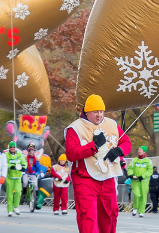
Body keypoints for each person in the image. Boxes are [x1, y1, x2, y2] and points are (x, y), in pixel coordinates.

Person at [65, 94, 131, 233]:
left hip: (107, 178)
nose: (99, 115)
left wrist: (119, 150)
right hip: (84, 178)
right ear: (87, 112)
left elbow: (126, 142)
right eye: (95, 112)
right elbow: (71, 154)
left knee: (109, 216)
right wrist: (93, 146)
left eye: (101, 111)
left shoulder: (111, 124)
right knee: (88, 217)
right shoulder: (75, 128)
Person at [127, 146, 152, 217]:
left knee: (143, 196)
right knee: (136, 195)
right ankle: (135, 207)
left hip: (144, 181)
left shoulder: (148, 161)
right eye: (138, 150)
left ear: (144, 152)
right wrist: (130, 174)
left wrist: (143, 176)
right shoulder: (134, 160)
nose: (139, 151)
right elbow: (130, 168)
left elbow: (150, 171)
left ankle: (141, 211)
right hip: (135, 181)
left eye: (140, 150)